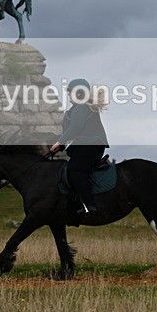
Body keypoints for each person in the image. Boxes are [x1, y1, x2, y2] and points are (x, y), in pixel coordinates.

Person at [50, 79, 109, 215]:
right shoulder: (76, 108)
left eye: (70, 92)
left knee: (75, 169)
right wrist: (62, 144)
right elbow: (70, 131)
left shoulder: (82, 107)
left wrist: (60, 142)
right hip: (84, 145)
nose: (69, 94)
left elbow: (76, 127)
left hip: (91, 145)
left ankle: (89, 205)